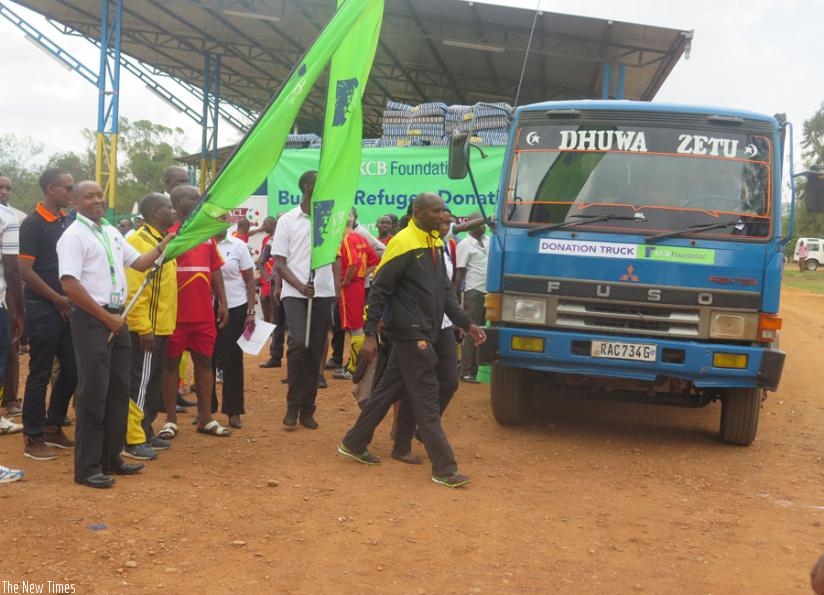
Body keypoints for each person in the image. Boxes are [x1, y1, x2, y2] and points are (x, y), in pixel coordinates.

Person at [338, 192, 486, 488]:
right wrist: (369, 334)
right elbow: (379, 290)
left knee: (389, 390)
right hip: (409, 333)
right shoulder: (403, 243)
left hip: (431, 330)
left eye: (443, 212)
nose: (442, 216)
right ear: (418, 213)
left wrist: (467, 324)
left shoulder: (434, 241)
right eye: (435, 212)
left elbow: (444, 293)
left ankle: (354, 442)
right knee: (426, 396)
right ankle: (445, 467)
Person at [57, 180, 175, 488]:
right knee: (94, 394)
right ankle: (87, 468)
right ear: (75, 202)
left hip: (116, 317)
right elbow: (69, 285)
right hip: (93, 319)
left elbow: (139, 262)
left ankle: (112, 457)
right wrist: (106, 318)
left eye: (99, 195)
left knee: (118, 391)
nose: (97, 200)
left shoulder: (111, 232)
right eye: (89, 197)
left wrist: (165, 244)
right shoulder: (73, 236)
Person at [158, 185, 230, 439]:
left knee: (204, 363)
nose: (198, 199)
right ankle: (169, 420)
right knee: (170, 365)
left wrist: (223, 302)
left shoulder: (205, 235)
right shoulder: (167, 236)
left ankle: (206, 418)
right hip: (173, 315)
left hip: (202, 315)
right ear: (176, 203)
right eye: (192, 196)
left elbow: (216, 269)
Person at [271, 170, 337, 430]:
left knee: (315, 349)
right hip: (295, 293)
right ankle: (292, 405)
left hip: (322, 291)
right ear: (309, 186)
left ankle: (308, 408)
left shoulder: (329, 219)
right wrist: (299, 285)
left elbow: (336, 256)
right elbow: (279, 262)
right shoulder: (288, 220)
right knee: (299, 343)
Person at [19, 168, 76, 461]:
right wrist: (56, 299)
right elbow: (25, 271)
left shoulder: (68, 221)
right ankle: (33, 436)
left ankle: (53, 425)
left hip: (67, 305)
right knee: (40, 372)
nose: (71, 192)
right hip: (44, 307)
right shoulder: (33, 224)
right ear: (51, 189)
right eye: (67, 187)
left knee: (73, 367)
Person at [122, 193, 177, 461]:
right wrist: (143, 327)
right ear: (156, 211)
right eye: (169, 207)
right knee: (140, 383)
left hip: (162, 326)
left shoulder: (161, 241)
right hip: (146, 329)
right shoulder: (137, 241)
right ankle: (132, 439)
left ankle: (145, 429)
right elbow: (135, 289)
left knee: (152, 381)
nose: (174, 211)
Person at [211, 218, 256, 429]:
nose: (219, 222)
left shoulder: (238, 246)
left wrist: (250, 311)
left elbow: (249, 279)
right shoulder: (201, 243)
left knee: (232, 358)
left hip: (236, 307)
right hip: (206, 307)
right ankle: (206, 410)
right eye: (215, 218)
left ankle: (233, 411)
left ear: (228, 222)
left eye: (223, 218)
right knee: (206, 358)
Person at [332, 209, 378, 380]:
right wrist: (362, 275)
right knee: (356, 324)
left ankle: (353, 368)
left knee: (355, 327)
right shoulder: (360, 238)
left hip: (350, 286)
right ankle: (357, 365)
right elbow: (374, 260)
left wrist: (345, 281)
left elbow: (352, 263)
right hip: (357, 284)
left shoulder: (346, 239)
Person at [0, 175, 26, 418]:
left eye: (9, 188)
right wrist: (18, 310)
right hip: (3, 297)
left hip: (5, 295)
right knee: (6, 347)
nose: (5, 192)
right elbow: (11, 268)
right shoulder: (8, 218)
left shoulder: (15, 217)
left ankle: (9, 400)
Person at [455, 212, 488, 383]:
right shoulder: (465, 245)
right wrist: (455, 299)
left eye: (484, 224)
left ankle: (479, 370)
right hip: (473, 292)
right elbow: (460, 272)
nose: (483, 226)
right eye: (480, 223)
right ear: (470, 224)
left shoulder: (489, 241)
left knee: (484, 331)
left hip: (490, 292)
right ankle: (467, 371)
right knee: (471, 331)